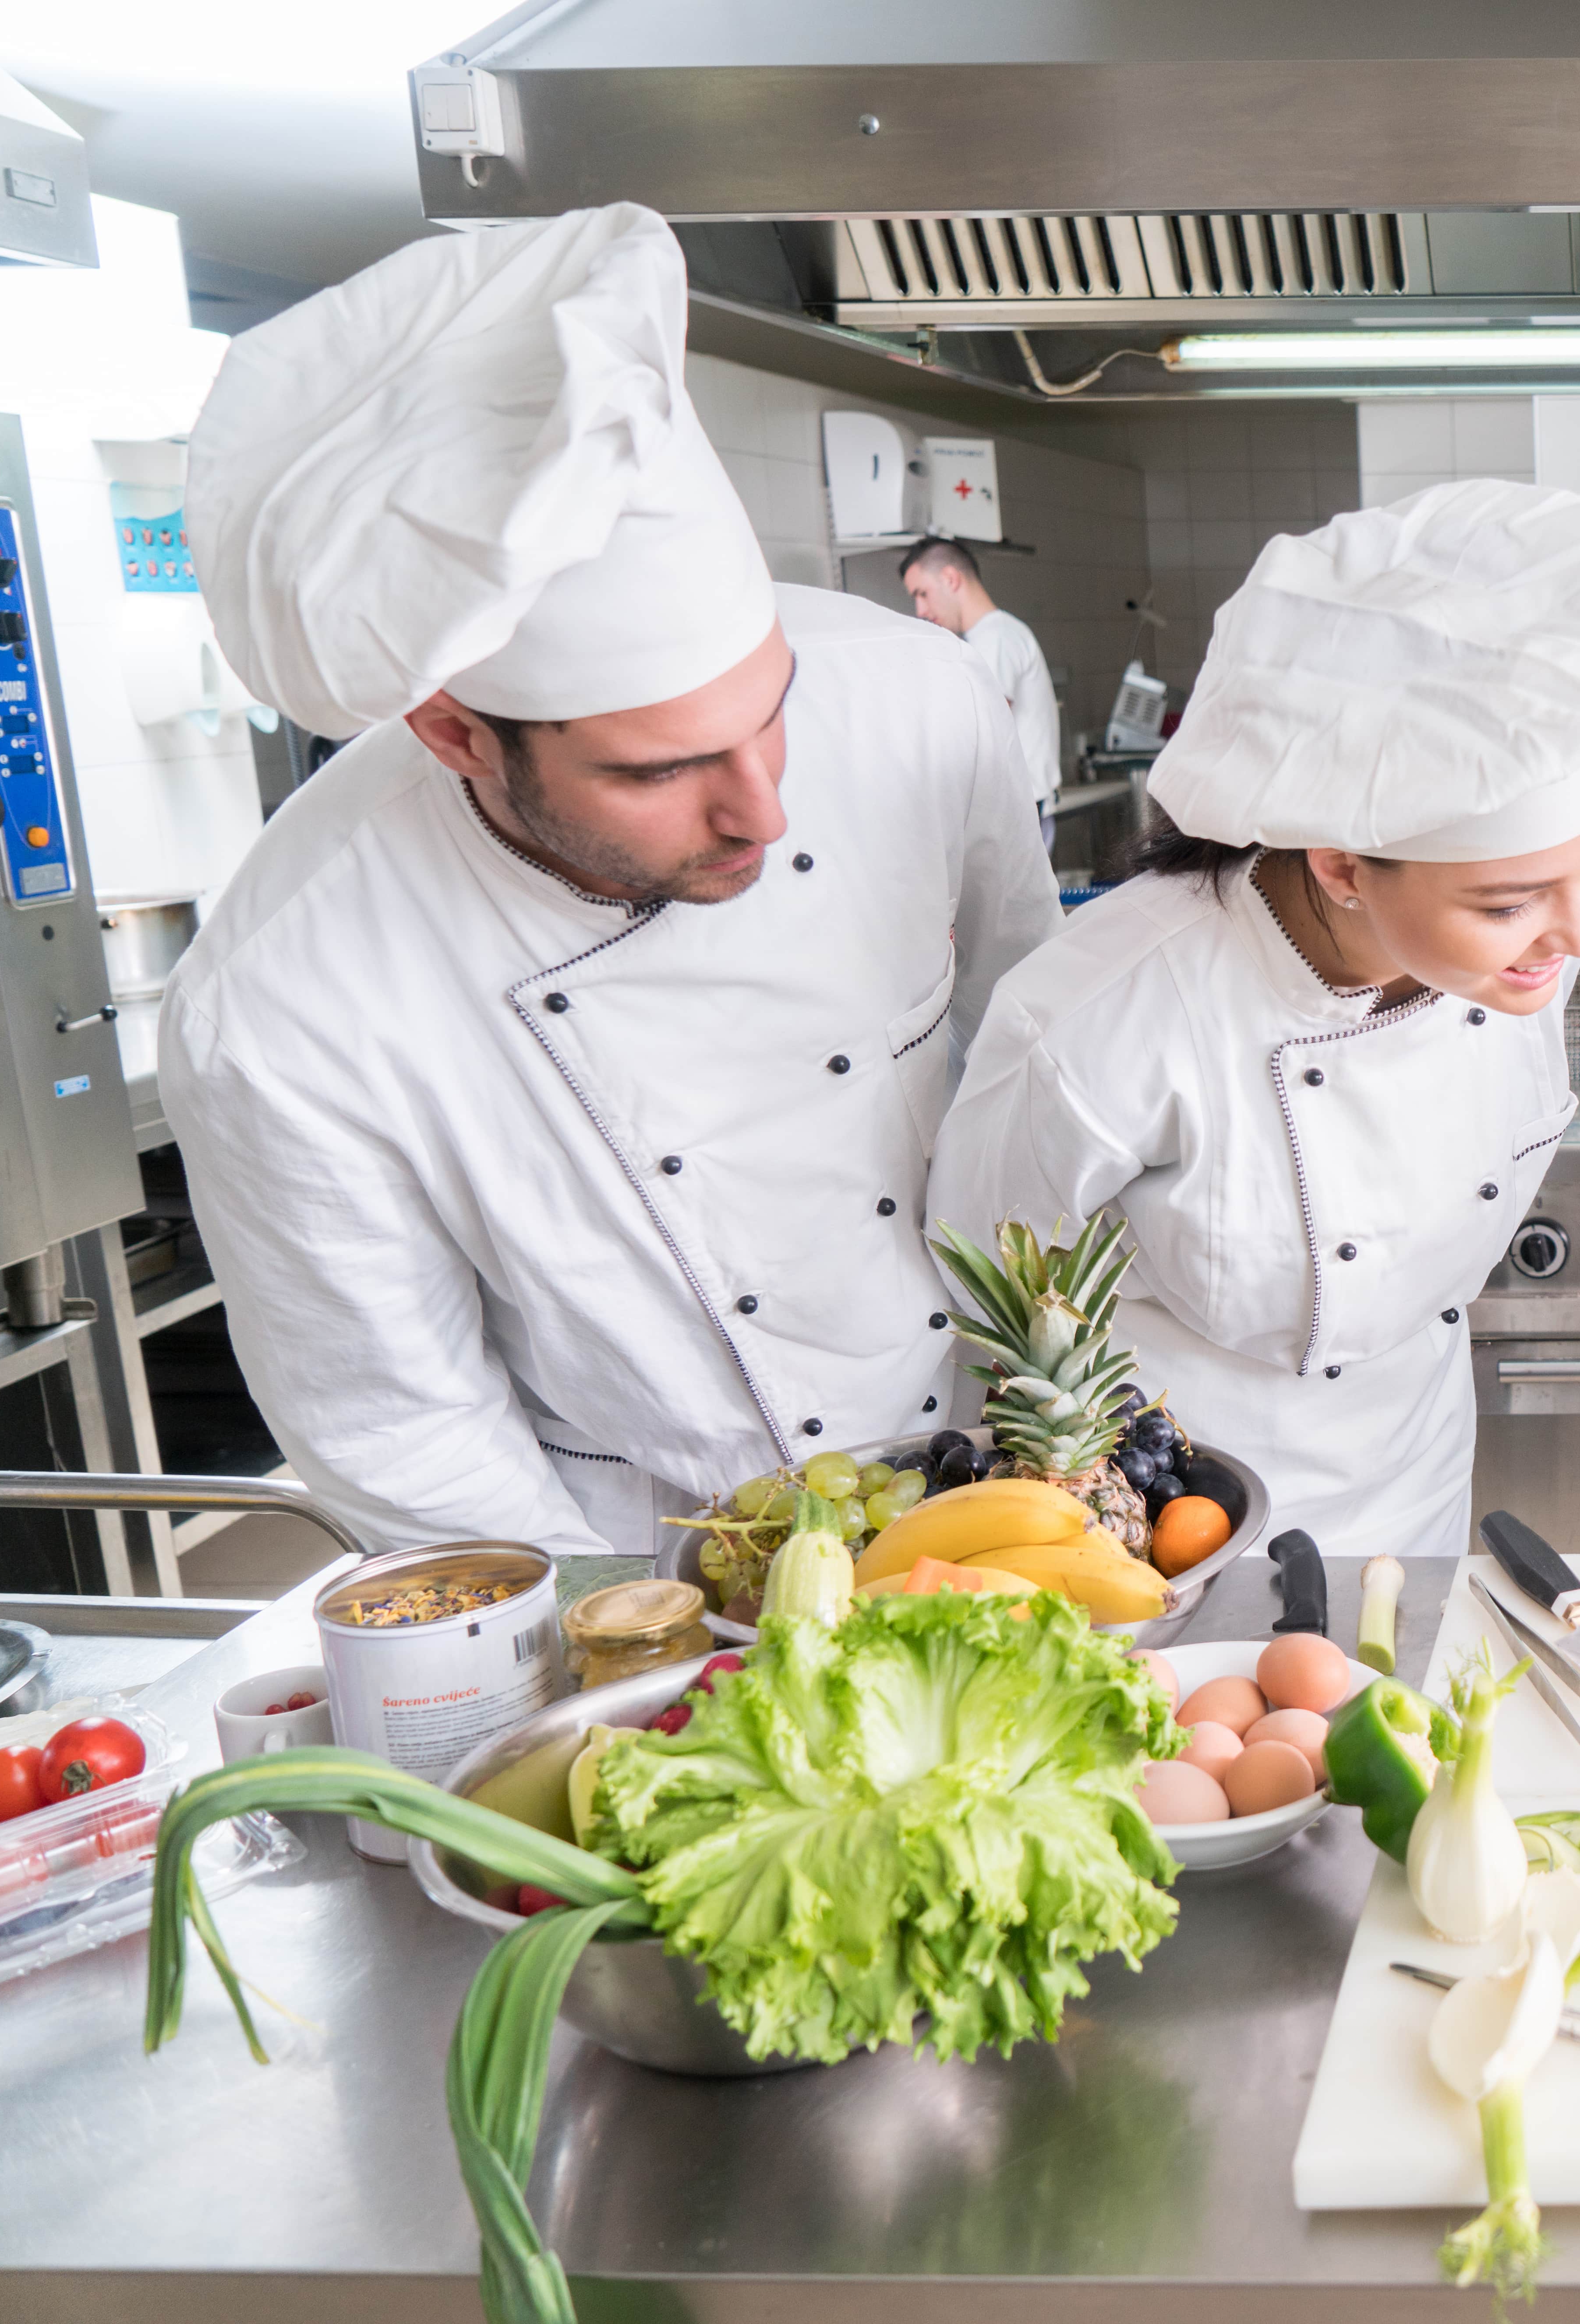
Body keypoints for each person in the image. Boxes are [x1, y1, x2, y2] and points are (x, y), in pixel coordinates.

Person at [164, 205, 1060, 1560]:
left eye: (773, 712)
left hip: (1003, 1484)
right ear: (458, 735)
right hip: (642, 1553)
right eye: (659, 772)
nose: (764, 804)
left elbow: (1029, 1036)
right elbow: (400, 1429)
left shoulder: (919, 699)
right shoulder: (287, 999)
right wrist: (643, 1661)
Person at [926, 481, 1580, 1562]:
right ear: (1341, 865)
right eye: (1511, 902)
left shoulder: (1519, 966)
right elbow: (987, 1296)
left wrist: (1516, 921)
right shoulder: (1107, 1013)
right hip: (1170, 1520)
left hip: (1413, 1476)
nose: (1577, 939)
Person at [901, 537, 1065, 842]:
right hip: (1023, 805)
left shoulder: (995, 637)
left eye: (922, 594)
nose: (920, 610)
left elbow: (980, 728)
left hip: (1021, 809)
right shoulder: (991, 636)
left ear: (951, 579)